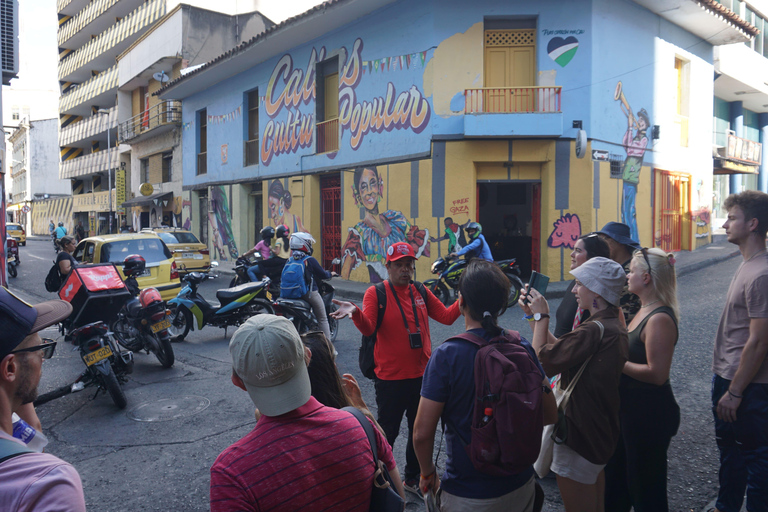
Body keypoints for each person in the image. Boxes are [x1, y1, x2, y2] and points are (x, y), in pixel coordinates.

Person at [210, 314, 404, 511]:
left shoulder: (230, 474)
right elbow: (398, 500)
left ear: (238, 382)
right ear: (308, 356)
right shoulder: (361, 427)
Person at [413, 260, 557, 511]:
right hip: (521, 485)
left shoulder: (448, 355)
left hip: (469, 494)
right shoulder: (520, 345)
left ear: (461, 302)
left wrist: (427, 473)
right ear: (502, 304)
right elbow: (550, 412)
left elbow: (421, 434)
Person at [331, 241, 461, 495]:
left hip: (423, 376)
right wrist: (356, 313)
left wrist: (465, 299)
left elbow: (446, 317)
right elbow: (369, 328)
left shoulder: (421, 291)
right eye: (399, 265)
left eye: (408, 265)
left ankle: (413, 478)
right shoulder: (376, 293)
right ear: (388, 268)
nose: (405, 270)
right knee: (387, 432)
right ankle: (379, 476)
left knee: (418, 430)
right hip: (390, 378)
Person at [521, 257, 629, 512]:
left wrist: (542, 314)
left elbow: (540, 362)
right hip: (599, 432)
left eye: (580, 283)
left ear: (597, 291)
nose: (573, 290)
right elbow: (561, 350)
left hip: (579, 436)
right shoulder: (612, 324)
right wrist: (535, 319)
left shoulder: (593, 330)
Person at [604, 247, 680, 511]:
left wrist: (619, 364)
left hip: (648, 413)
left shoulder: (658, 318)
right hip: (632, 410)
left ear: (646, 278)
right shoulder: (644, 309)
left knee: (646, 489)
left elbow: (657, 374)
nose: (627, 275)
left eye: (632, 271)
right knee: (620, 482)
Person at [0, 286, 86, 511]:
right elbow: (34, 428)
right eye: (41, 351)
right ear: (10, 367)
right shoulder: (48, 485)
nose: (43, 360)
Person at [710, 190, 768, 512]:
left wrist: (734, 391)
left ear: (753, 224)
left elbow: (760, 340)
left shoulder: (761, 274)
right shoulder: (748, 265)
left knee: (756, 460)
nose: (725, 224)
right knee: (731, 455)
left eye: (732, 218)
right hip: (731, 379)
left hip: (747, 387)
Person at [340, 165, 429, 282]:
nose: (370, 191)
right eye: (363, 187)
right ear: (358, 195)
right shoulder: (359, 234)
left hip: (404, 290)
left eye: (373, 183)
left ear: (379, 186)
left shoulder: (396, 220)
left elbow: (424, 247)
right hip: (381, 295)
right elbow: (345, 274)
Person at [280, 232, 337, 341]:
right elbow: (323, 274)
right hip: (306, 293)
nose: (310, 245)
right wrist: (331, 273)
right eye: (309, 242)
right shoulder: (309, 260)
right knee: (323, 318)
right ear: (304, 244)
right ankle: (328, 347)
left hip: (289, 294)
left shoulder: (290, 259)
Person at [554, 233, 611, 338]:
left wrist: (539, 318)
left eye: (578, 251)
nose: (572, 254)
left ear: (594, 257)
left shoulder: (597, 292)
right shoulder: (575, 284)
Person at [597, 221, 641, 323]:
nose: (601, 244)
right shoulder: (611, 267)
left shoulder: (633, 270)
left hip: (628, 330)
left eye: (603, 239)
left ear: (617, 242)